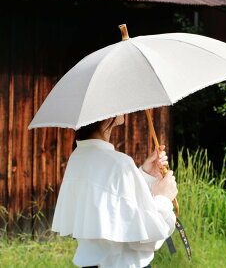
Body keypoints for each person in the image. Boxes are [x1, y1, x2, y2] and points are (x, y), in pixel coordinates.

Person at [51, 114, 178, 268]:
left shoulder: (77, 157)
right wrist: (163, 198)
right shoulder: (119, 163)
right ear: (105, 115)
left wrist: (145, 175)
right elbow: (147, 238)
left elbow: (114, 202)